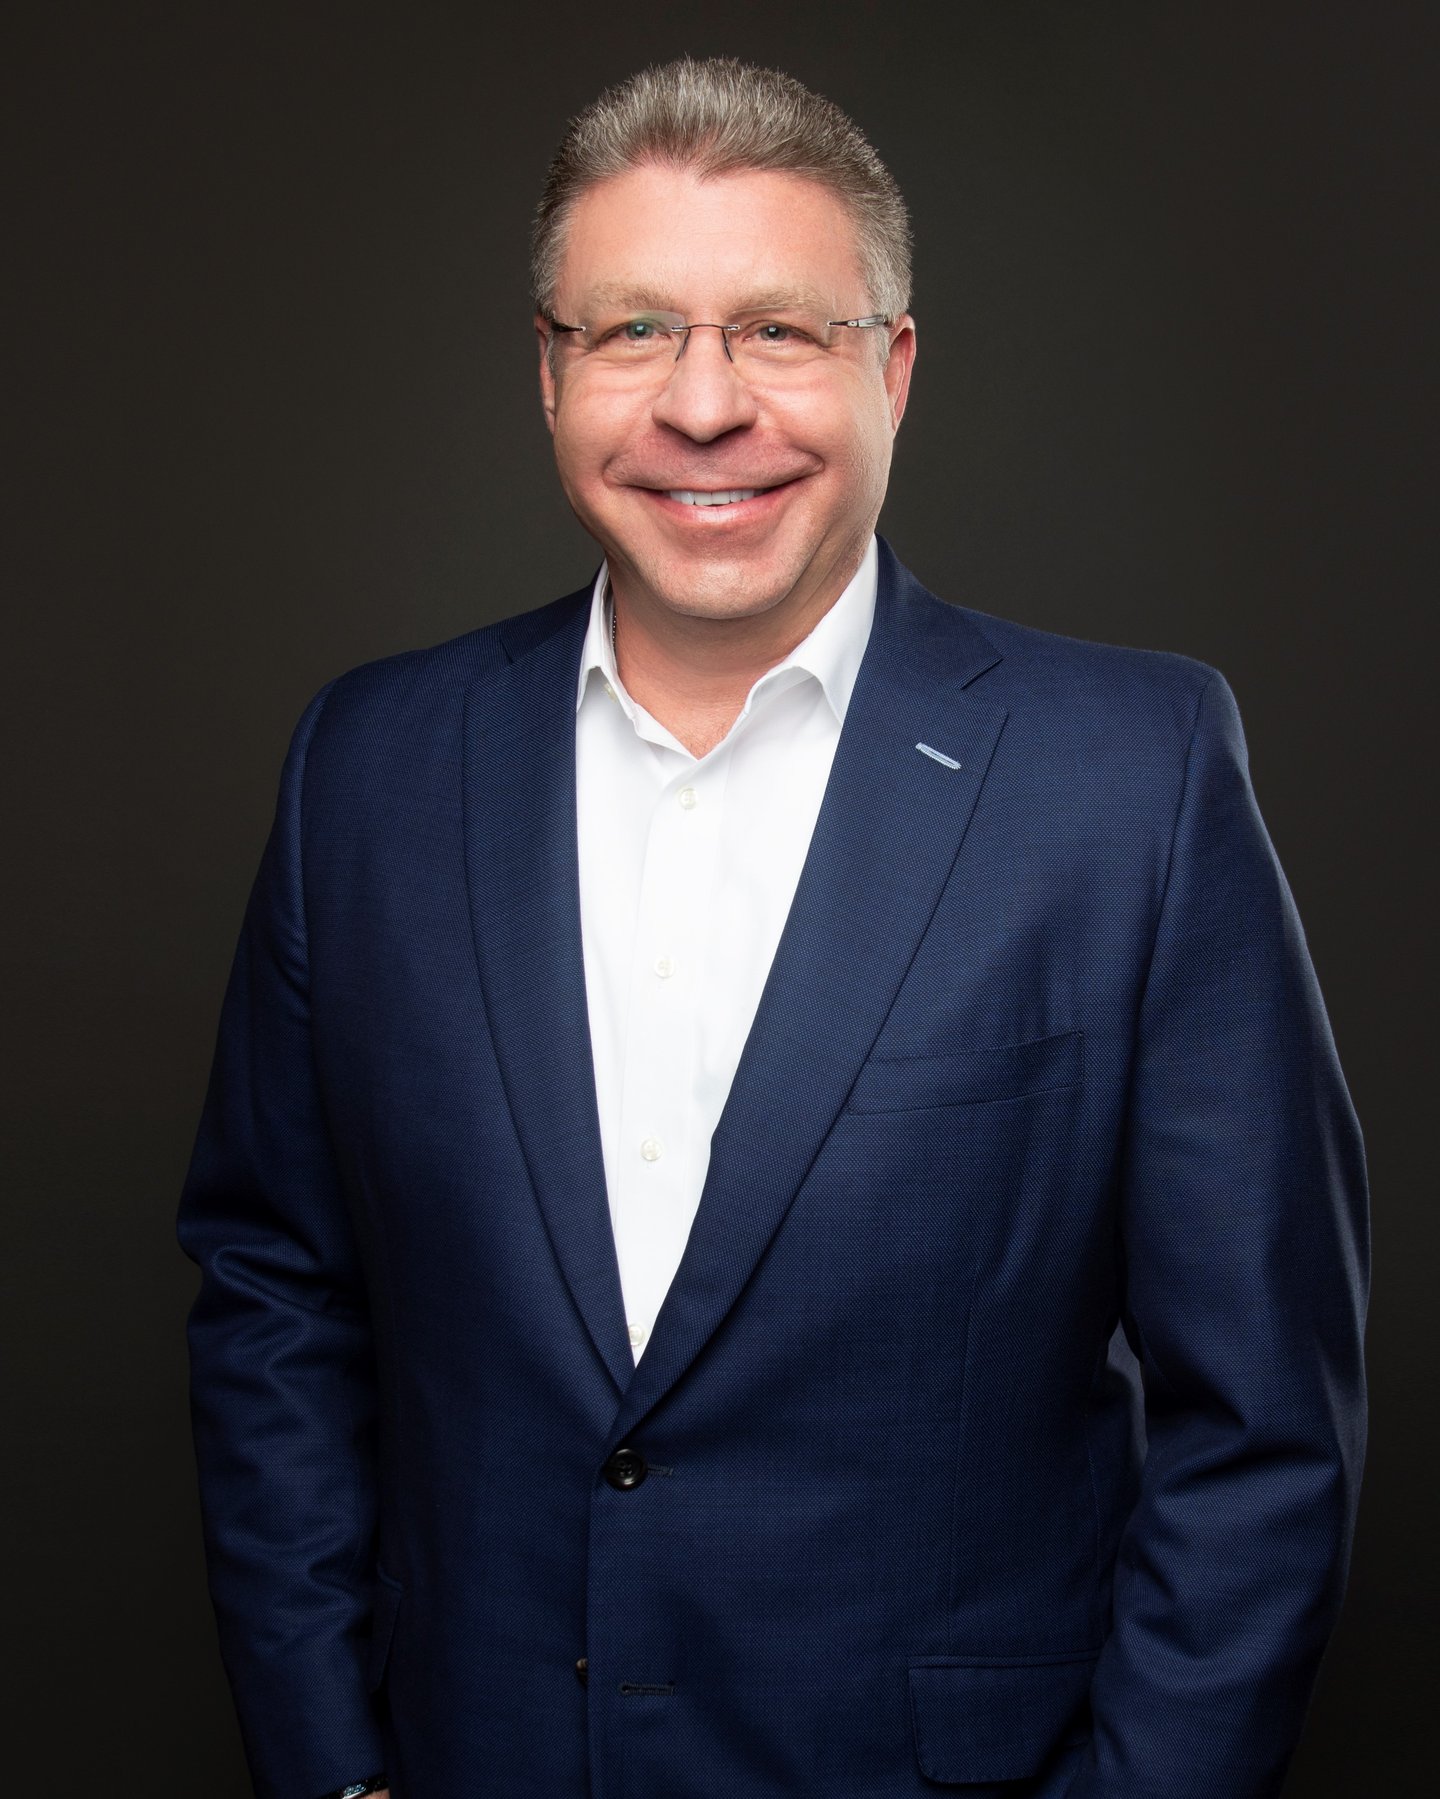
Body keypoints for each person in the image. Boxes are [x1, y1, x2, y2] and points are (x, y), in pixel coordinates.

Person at [179, 56, 1368, 1799]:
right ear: (551, 373)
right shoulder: (366, 764)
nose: (705, 404)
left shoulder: (1136, 776)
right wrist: (336, 1770)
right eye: (634, 330)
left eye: (781, 333)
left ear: (893, 365)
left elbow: (1264, 1423)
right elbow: (274, 1292)